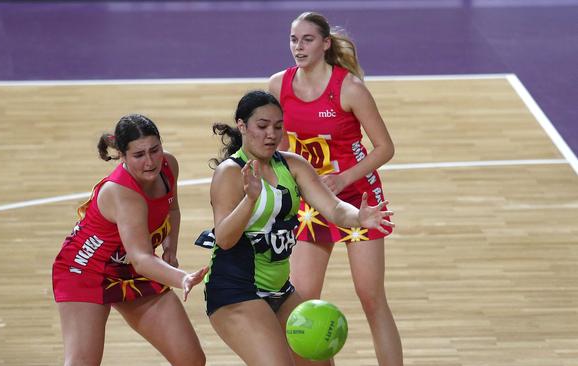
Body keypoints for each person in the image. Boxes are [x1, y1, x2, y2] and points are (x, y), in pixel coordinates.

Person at [200, 90, 393, 366]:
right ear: (242, 126)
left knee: (318, 361)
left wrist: (358, 218)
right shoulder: (230, 173)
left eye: (278, 127)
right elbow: (224, 239)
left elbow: (335, 208)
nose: (271, 134)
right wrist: (250, 199)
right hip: (235, 291)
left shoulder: (293, 165)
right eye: (262, 126)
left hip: (279, 290)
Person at [268, 12, 403, 366]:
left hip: (358, 196)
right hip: (311, 201)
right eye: (294, 39)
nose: (299, 47)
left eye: (307, 39)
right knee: (302, 303)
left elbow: (385, 148)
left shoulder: (350, 89)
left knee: (371, 298)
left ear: (325, 43)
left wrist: (342, 179)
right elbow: (280, 150)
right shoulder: (278, 85)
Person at [52, 114, 208, 366]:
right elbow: (142, 260)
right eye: (139, 155)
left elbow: (173, 209)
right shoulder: (121, 193)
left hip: (130, 266)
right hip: (85, 270)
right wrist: (182, 278)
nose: (150, 162)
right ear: (122, 156)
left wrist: (170, 249)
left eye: (154, 150)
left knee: (191, 360)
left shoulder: (168, 166)